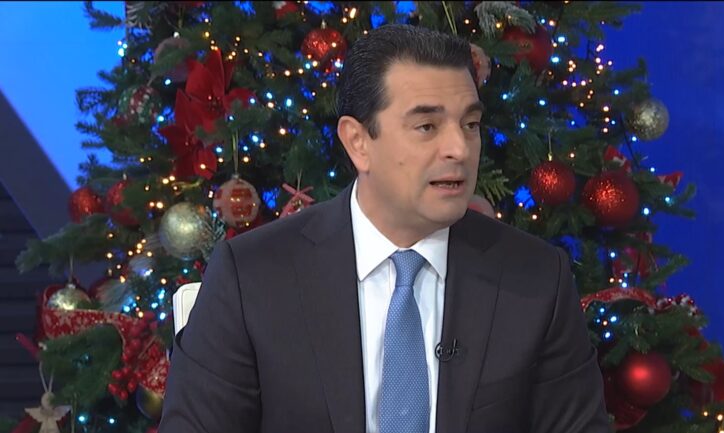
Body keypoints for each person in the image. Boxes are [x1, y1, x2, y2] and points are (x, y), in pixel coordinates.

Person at [159, 24, 610, 433]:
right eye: (427, 126)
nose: (459, 148)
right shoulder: (252, 276)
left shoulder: (536, 278)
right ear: (358, 143)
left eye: (470, 124)